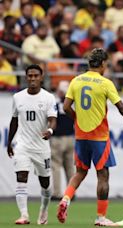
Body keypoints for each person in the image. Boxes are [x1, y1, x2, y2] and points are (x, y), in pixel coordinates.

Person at [57, 48, 123, 226]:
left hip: (81, 135)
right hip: (99, 137)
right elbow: (122, 108)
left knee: (80, 172)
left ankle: (65, 199)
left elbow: (65, 107)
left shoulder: (76, 81)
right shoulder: (105, 83)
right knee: (103, 176)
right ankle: (101, 217)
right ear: (103, 64)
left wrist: (77, 119)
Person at [7, 64, 57, 225]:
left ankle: (43, 209)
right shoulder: (18, 97)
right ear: (26, 77)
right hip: (23, 146)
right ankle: (24, 215)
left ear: (41, 77)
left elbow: (53, 119)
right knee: (21, 177)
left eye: (36, 76)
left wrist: (49, 130)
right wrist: (9, 142)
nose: (33, 78)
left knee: (46, 184)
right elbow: (14, 120)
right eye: (30, 76)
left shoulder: (48, 97)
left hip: (41, 148)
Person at [50, 81, 75, 200]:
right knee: (69, 167)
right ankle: (71, 193)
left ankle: (57, 192)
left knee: (56, 166)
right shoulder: (73, 104)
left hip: (58, 139)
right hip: (70, 138)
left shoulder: (56, 103)